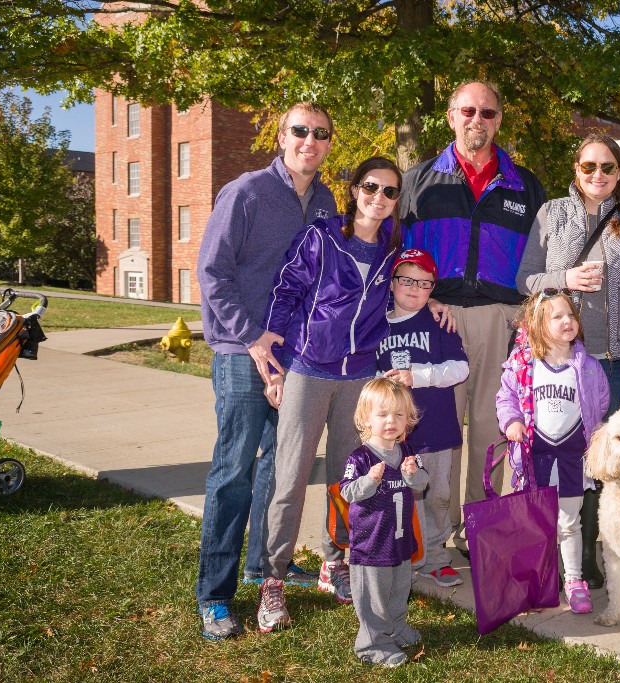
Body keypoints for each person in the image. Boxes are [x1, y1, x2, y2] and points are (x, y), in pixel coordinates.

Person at [194, 101, 337, 641]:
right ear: (281, 136)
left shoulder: (325, 201)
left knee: (281, 470)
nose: (310, 140)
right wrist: (253, 338)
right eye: (300, 131)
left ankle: (262, 565)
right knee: (234, 470)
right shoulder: (246, 192)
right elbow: (212, 272)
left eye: (320, 134)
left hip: (297, 358)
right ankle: (215, 595)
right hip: (240, 352)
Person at [255, 156, 406, 632]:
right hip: (307, 368)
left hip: (358, 377)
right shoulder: (321, 237)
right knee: (290, 479)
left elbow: (405, 294)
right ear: (355, 190)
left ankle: (333, 561)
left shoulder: (392, 250)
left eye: (389, 192)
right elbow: (285, 294)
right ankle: (272, 580)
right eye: (370, 187)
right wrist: (275, 362)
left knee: (348, 478)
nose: (378, 198)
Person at [400, 80, 547, 557]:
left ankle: (477, 528)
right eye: (468, 111)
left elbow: (540, 260)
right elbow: (397, 256)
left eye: (487, 113)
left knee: (491, 426)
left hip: (499, 319)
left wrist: (528, 317)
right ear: (451, 116)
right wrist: (418, 300)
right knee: (438, 430)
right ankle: (434, 532)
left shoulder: (524, 185)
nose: (476, 120)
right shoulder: (418, 181)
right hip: (436, 319)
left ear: (498, 120)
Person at [516, 132, 620, 589]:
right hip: (555, 360)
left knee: (602, 462)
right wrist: (565, 277)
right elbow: (525, 279)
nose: (598, 175)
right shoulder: (551, 213)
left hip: (608, 362)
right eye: (589, 166)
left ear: (619, 173)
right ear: (576, 170)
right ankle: (547, 554)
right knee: (550, 456)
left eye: (607, 167)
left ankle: (591, 555)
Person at [495, 289, 610, 614]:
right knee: (538, 523)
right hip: (536, 458)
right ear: (536, 325)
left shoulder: (586, 365)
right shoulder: (524, 366)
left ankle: (574, 581)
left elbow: (600, 400)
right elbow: (506, 398)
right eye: (556, 316)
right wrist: (513, 421)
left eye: (570, 315)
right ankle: (540, 581)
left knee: (570, 521)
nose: (567, 321)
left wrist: (591, 430)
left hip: (573, 457)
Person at [375, 248, 469, 587]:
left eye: (425, 283)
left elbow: (460, 368)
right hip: (393, 434)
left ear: (433, 288)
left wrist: (418, 375)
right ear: (391, 282)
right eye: (407, 280)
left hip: (437, 427)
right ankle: (399, 555)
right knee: (397, 493)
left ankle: (436, 556)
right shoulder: (377, 323)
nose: (414, 289)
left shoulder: (439, 321)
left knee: (438, 494)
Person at [340, 378, 429, 667]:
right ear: (366, 418)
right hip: (372, 544)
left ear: (408, 419)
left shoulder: (407, 453)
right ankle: (372, 643)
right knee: (374, 598)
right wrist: (370, 480)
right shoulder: (361, 457)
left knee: (399, 589)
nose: (391, 421)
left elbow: (422, 484)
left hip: (400, 540)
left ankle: (395, 626)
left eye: (399, 415)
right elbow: (347, 491)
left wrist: (413, 474)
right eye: (382, 414)